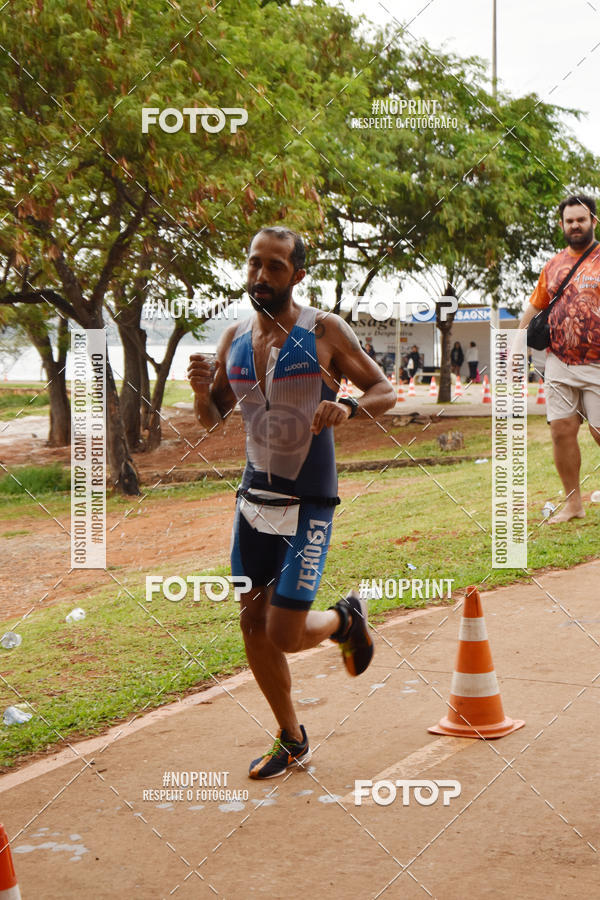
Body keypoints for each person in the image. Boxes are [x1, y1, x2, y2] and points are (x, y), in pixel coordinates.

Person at [188, 226, 396, 778]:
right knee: (251, 623)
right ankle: (290, 736)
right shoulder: (233, 337)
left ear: (298, 274)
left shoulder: (324, 330)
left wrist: (348, 408)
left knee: (283, 631)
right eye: (254, 263)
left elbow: (385, 390)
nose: (261, 275)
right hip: (254, 498)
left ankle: (344, 619)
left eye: (275, 266)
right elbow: (211, 419)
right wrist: (200, 392)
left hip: (309, 498)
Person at [520, 194, 600, 523]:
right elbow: (536, 305)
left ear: (593, 220)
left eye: (581, 219)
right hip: (559, 362)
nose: (575, 225)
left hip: (598, 363)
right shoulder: (553, 265)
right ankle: (574, 504)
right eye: (570, 221)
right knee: (561, 431)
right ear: (562, 224)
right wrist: (517, 343)